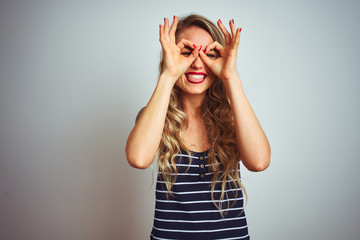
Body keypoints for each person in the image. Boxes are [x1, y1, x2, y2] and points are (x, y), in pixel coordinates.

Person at [125, 14, 271, 240]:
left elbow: (259, 162)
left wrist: (231, 77)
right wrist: (168, 73)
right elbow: (138, 159)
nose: (197, 62)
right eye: (186, 52)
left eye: (209, 54)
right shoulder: (156, 115)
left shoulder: (234, 117)